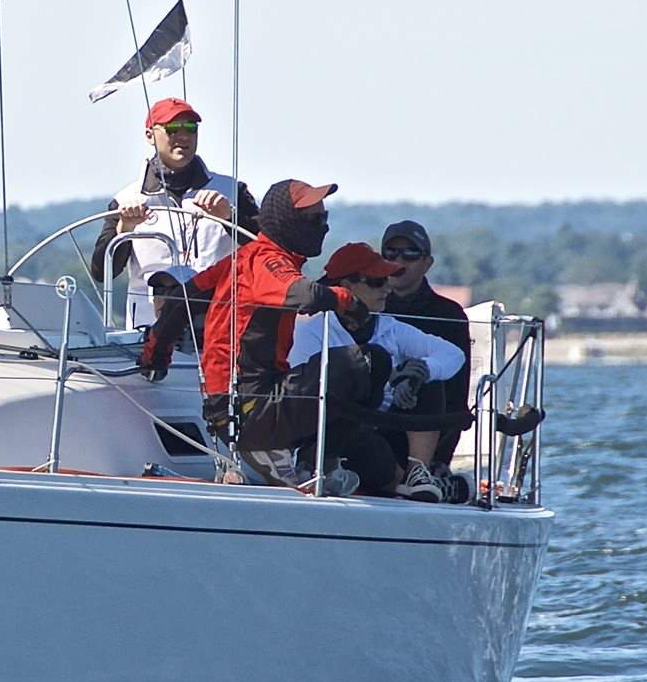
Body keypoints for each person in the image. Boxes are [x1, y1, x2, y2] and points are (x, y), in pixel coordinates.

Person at [181, 178, 397, 496]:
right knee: (364, 362)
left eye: (324, 217)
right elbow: (304, 294)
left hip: (246, 401)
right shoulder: (266, 260)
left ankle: (317, 461)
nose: (323, 226)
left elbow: (184, 296)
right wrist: (349, 301)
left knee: (371, 366)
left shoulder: (246, 258)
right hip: (247, 410)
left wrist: (155, 354)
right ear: (287, 220)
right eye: (315, 218)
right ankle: (277, 451)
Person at [285, 242, 467, 502]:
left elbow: (452, 354)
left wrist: (419, 373)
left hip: (386, 429)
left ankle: (418, 473)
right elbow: (306, 395)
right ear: (346, 287)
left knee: (426, 377)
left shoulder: (390, 328)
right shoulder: (313, 332)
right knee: (368, 446)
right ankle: (412, 486)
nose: (387, 288)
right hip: (335, 433)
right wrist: (391, 376)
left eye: (387, 280)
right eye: (376, 282)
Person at [89, 98, 258, 332]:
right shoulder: (126, 200)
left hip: (221, 328)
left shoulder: (231, 191)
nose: (184, 137)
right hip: (147, 331)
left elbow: (266, 250)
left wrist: (229, 218)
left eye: (191, 128)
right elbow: (101, 272)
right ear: (150, 135)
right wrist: (125, 229)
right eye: (172, 129)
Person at [377, 219, 473, 471]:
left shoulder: (449, 315)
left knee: (430, 382)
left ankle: (421, 472)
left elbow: (456, 397)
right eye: (390, 253)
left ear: (427, 263)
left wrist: (440, 461)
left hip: (426, 432)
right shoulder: (368, 306)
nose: (398, 261)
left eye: (410, 254)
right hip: (370, 430)